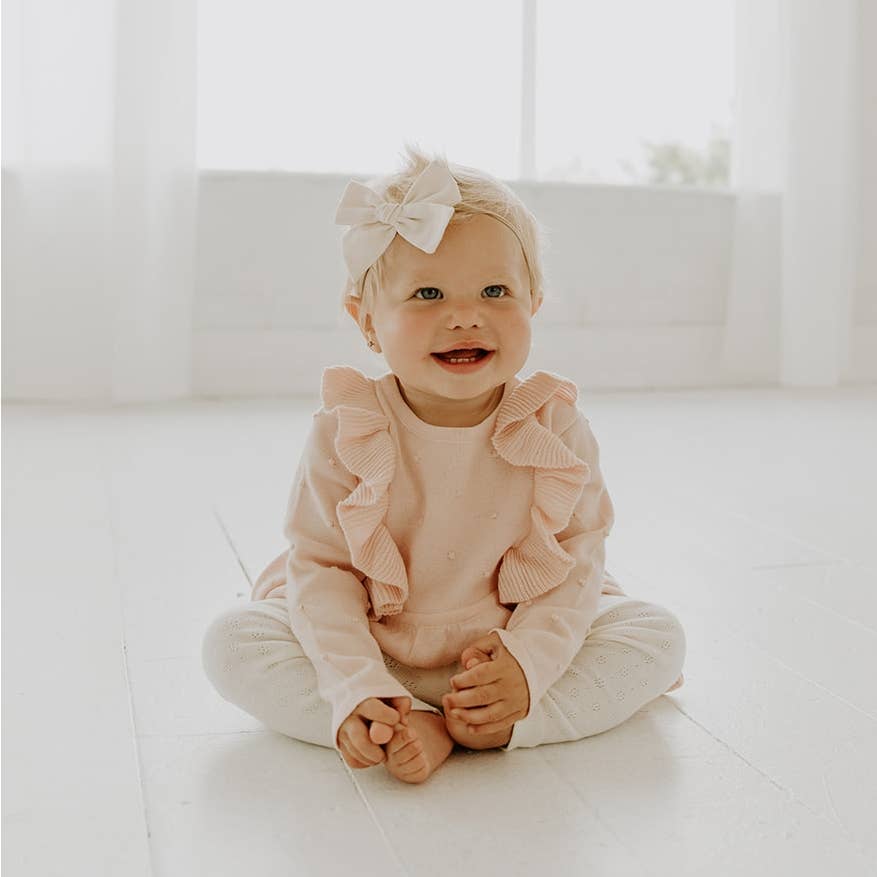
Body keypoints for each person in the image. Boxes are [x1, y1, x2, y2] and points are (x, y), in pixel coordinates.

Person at [201, 145, 686, 785]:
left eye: (495, 290)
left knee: (656, 635)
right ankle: (388, 716)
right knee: (233, 643)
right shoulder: (347, 429)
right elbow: (322, 570)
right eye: (427, 293)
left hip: (513, 635)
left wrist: (528, 662)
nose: (465, 315)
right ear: (367, 322)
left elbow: (576, 557)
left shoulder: (553, 423)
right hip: (379, 637)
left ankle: (503, 717)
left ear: (534, 300)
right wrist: (354, 680)